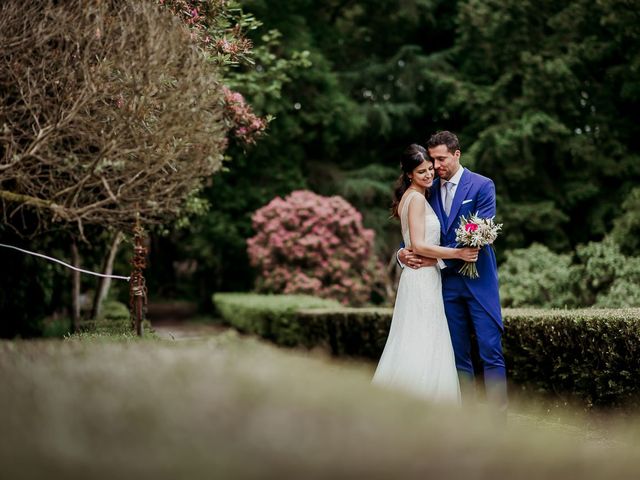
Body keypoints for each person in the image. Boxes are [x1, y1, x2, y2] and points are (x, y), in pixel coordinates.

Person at [398, 131, 508, 414]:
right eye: (432, 160)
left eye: (441, 159)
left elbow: (483, 229)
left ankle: (498, 420)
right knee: (458, 356)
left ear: (457, 154)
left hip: (479, 282)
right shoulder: (428, 189)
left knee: (490, 351)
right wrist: (401, 254)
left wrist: (440, 259)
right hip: (444, 287)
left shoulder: (482, 186)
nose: (435, 166)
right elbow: (414, 234)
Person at [372, 144, 479, 403]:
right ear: (410, 174)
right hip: (422, 277)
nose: (429, 175)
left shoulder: (409, 196)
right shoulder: (418, 198)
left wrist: (402, 255)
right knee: (424, 338)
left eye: (430, 169)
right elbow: (418, 245)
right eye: (422, 172)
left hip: (419, 276)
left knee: (414, 337)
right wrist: (458, 253)